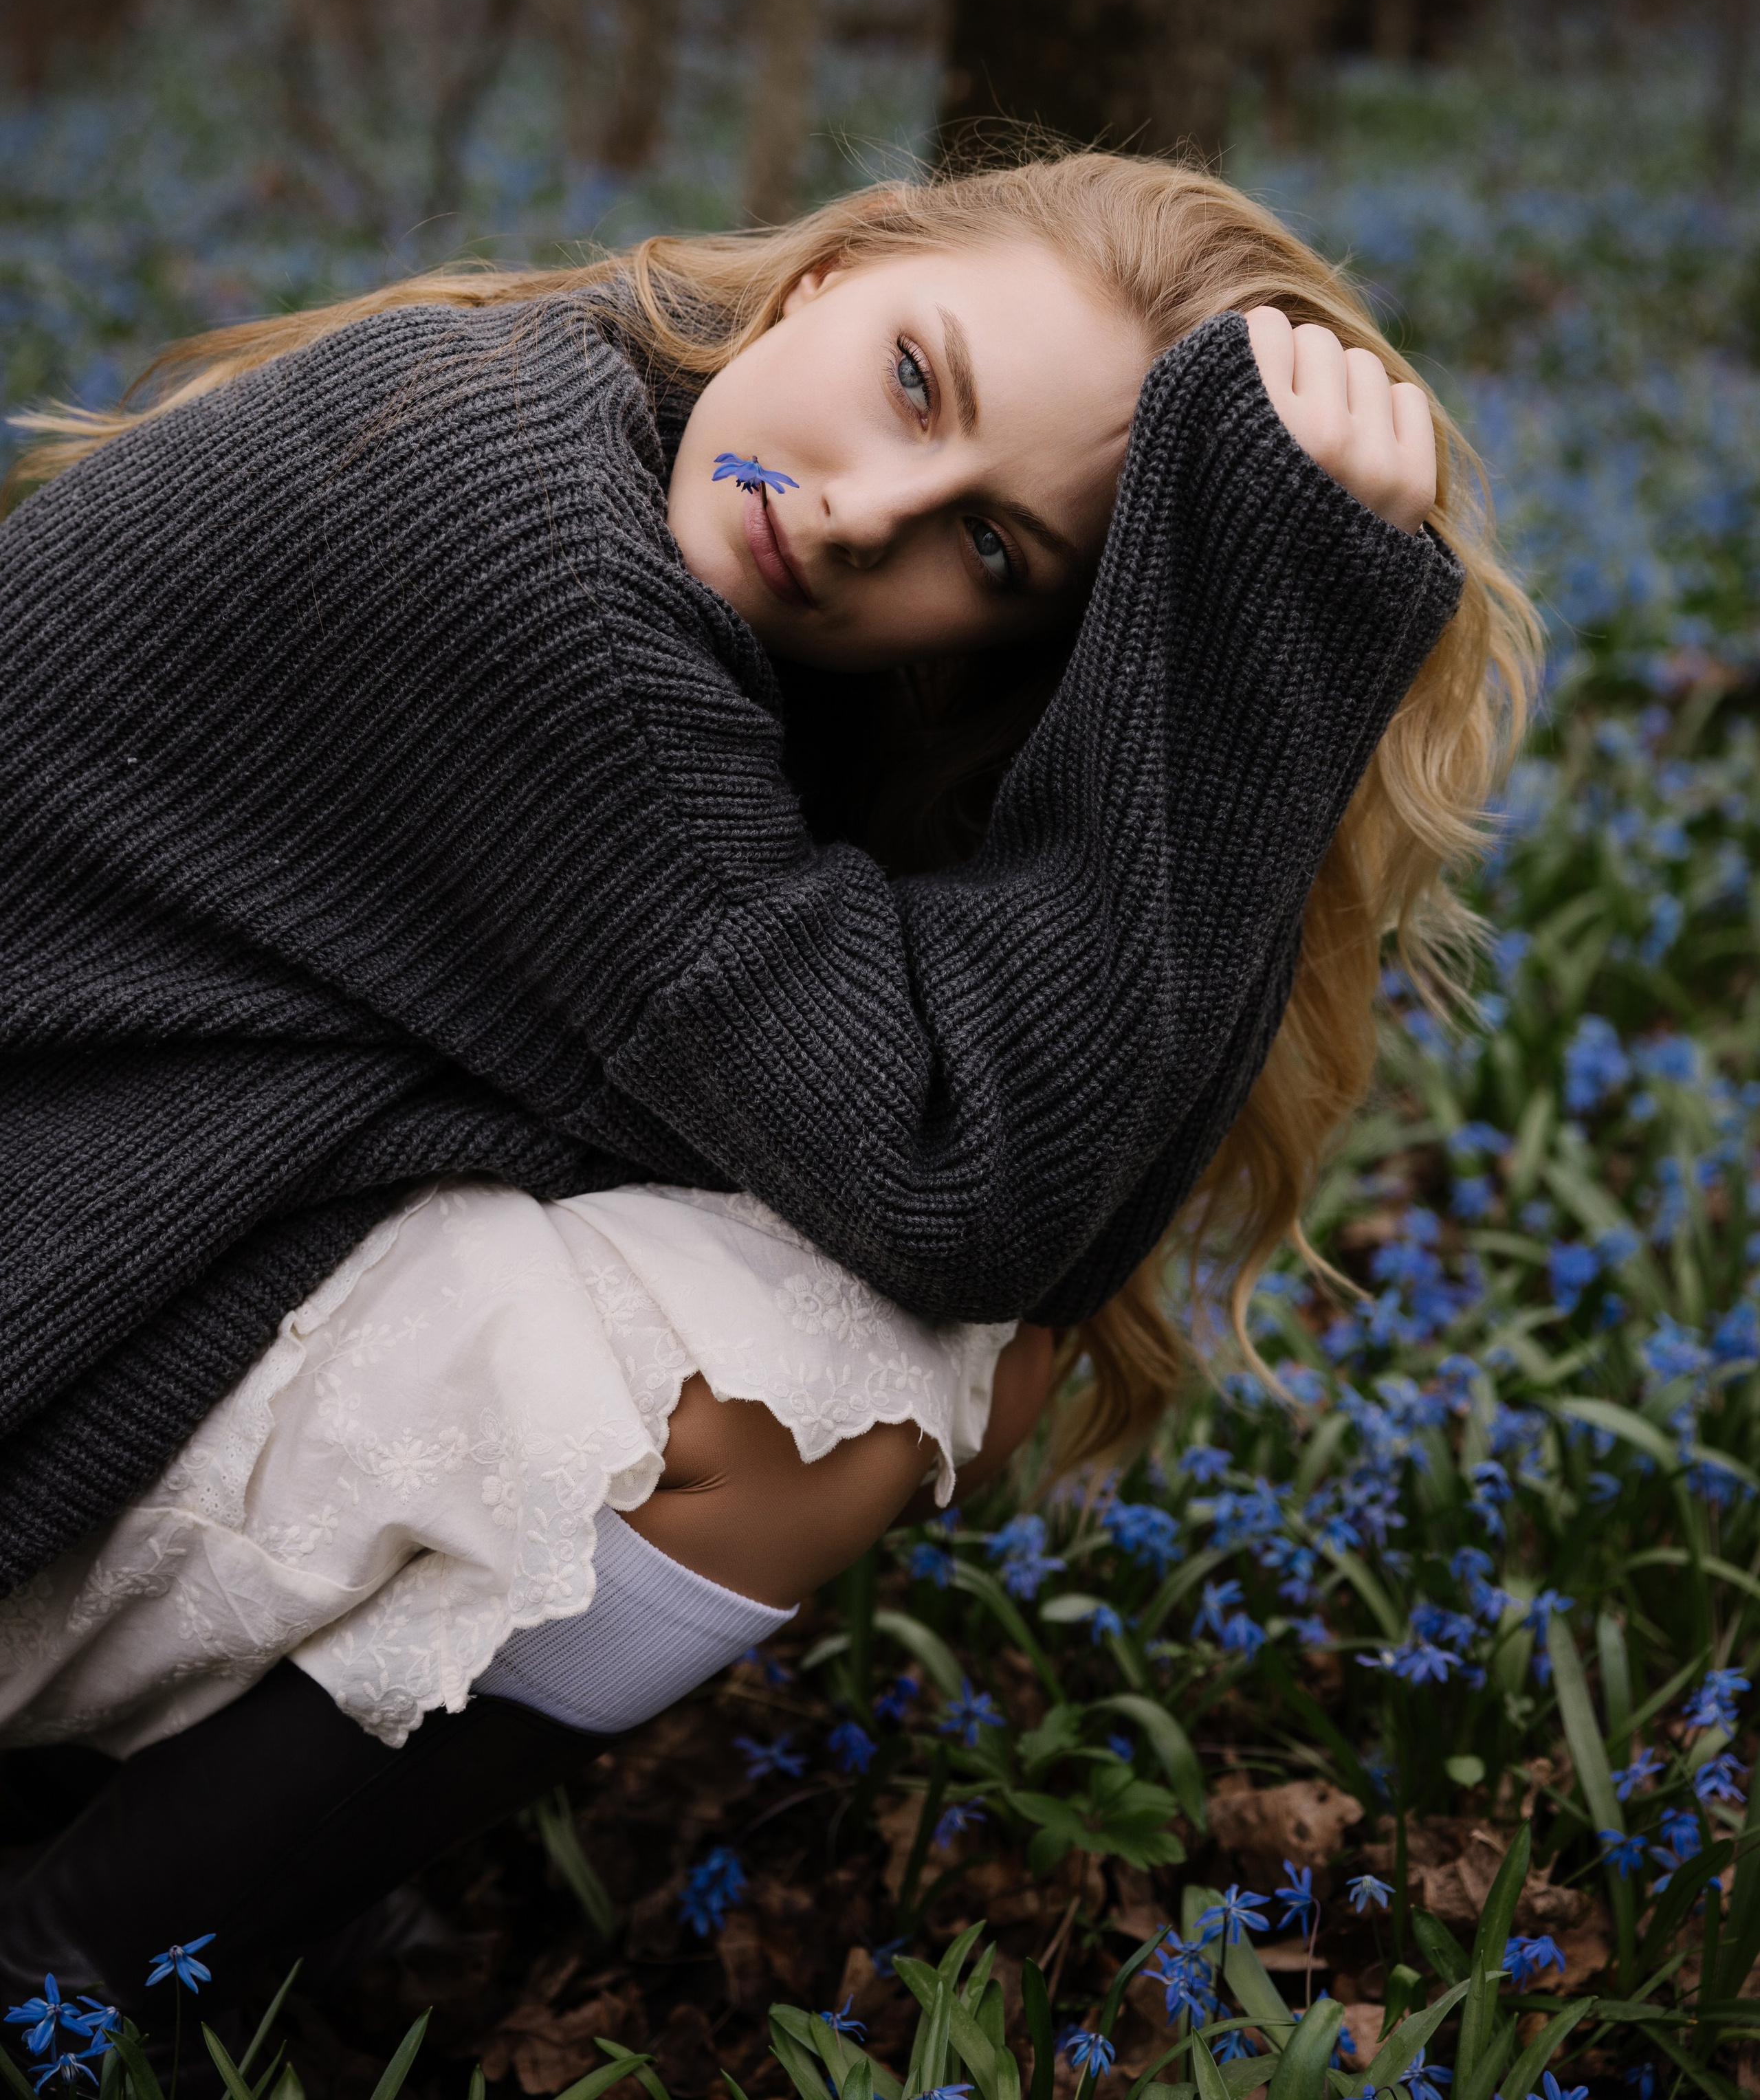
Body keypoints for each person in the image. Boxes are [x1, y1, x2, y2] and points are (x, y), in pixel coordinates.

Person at [0, 151, 1539, 1989]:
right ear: (835, 272)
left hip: (103, 1238)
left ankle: (155, 1846)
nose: (866, 514)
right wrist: (1250, 671)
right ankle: (62, 1967)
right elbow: (974, 1186)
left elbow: (1055, 1244)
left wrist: (1216, 645)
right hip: (62, 1292)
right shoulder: (531, 548)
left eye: (994, 549)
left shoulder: (657, 485)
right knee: (827, 1396)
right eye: (916, 379)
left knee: (963, 1344)